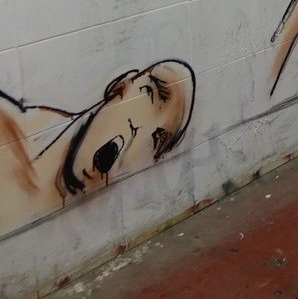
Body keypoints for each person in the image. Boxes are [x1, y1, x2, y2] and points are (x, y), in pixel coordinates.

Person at [0, 59, 195, 236]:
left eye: (158, 137)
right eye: (150, 92)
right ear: (119, 87)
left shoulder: (83, 220)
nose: (143, 129)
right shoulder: (11, 130)